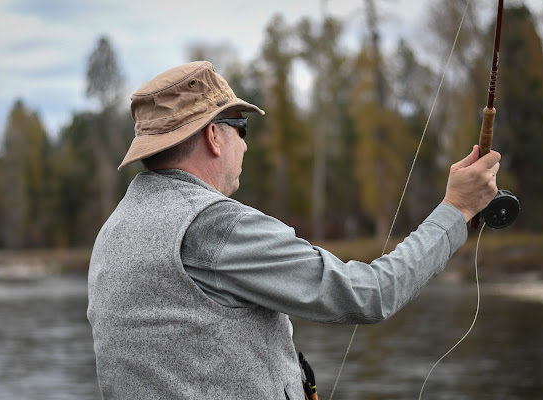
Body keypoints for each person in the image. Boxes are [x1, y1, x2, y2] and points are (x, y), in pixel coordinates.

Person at [87, 61, 500, 399]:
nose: (245, 144)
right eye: (240, 128)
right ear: (214, 136)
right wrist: (456, 209)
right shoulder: (214, 225)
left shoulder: (113, 232)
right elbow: (370, 294)